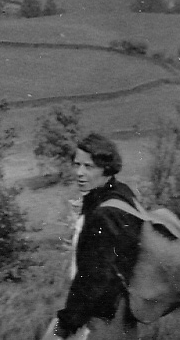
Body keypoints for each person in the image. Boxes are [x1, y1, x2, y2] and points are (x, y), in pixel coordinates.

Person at [51, 133, 143, 340]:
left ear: (106, 168)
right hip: (120, 312)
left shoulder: (105, 213)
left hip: (103, 317)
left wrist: (65, 325)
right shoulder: (118, 194)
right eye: (77, 165)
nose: (79, 173)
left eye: (88, 166)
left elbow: (95, 277)